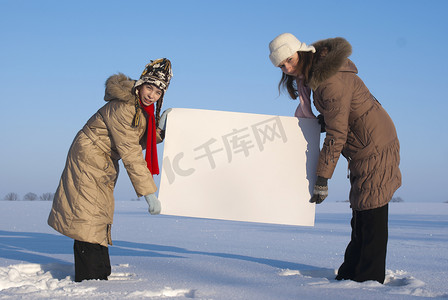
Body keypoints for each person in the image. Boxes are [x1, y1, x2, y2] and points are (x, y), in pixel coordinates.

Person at [268, 33, 401, 283]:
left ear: (301, 52)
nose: (287, 67)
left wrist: (322, 178)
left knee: (372, 211)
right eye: (281, 65)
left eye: (289, 59)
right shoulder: (315, 77)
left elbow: (337, 133)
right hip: (364, 143)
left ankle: (369, 279)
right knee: (361, 210)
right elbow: (339, 117)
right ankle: (351, 271)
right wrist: (324, 120)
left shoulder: (328, 81)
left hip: (374, 144)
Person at [48, 58, 173, 282]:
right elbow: (131, 152)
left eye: (157, 92)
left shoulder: (140, 109)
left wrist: (159, 131)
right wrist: (148, 192)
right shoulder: (125, 107)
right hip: (89, 158)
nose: (151, 95)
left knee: (98, 214)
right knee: (88, 215)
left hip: (102, 160)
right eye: (149, 87)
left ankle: (98, 272)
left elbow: (135, 138)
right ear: (140, 83)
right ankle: (90, 277)